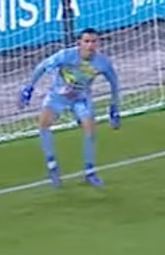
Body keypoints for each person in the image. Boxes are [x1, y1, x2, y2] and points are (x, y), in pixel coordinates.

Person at [18, 28, 120, 187]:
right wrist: (28, 88)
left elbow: (114, 84)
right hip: (58, 96)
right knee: (43, 125)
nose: (90, 45)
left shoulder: (103, 63)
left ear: (98, 43)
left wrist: (114, 107)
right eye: (86, 41)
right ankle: (52, 165)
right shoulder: (66, 55)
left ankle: (90, 171)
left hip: (81, 99)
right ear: (79, 42)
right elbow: (42, 67)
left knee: (90, 130)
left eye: (93, 41)